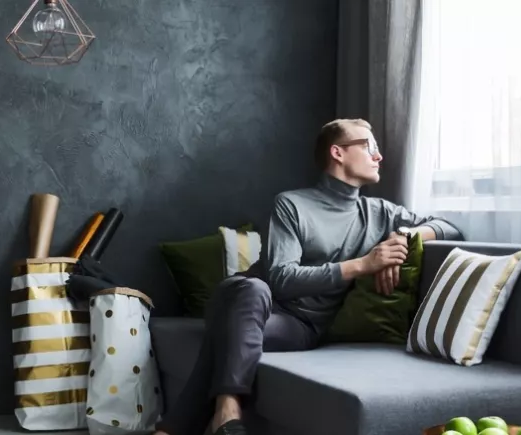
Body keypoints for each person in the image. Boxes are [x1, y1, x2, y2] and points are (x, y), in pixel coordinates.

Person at [153, 118, 464, 435]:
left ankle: (177, 428)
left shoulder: (380, 213)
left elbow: (450, 227)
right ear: (337, 153)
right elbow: (281, 279)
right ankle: (228, 413)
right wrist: (363, 264)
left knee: (227, 338)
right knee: (253, 290)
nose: (379, 156)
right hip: (250, 299)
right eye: (369, 146)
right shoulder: (292, 204)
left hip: (299, 326)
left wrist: (402, 235)